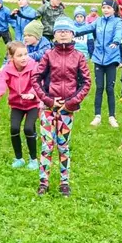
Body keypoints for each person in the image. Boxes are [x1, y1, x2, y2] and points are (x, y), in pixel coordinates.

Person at [35, 18, 90, 196]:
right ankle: (43, 182)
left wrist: (71, 102)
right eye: (60, 31)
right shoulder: (48, 55)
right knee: (46, 145)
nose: (63, 33)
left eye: (66, 31)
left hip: (67, 109)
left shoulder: (79, 57)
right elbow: (36, 79)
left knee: (63, 146)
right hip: (48, 108)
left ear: (73, 34)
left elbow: (86, 83)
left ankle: (64, 182)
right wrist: (49, 100)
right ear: (55, 35)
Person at [79, 0, 122, 127]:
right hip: (98, 58)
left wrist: (116, 41)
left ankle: (112, 117)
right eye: (103, 7)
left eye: (108, 8)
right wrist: (71, 32)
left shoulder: (117, 22)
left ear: (114, 9)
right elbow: (86, 28)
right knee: (99, 88)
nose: (105, 10)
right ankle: (97, 116)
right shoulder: (98, 21)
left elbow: (119, 32)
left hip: (111, 59)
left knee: (110, 88)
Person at [0, 40, 41, 168]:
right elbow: (0, 82)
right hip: (16, 104)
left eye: (25, 54)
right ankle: (19, 158)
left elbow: (38, 82)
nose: (24, 58)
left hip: (33, 104)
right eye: (19, 55)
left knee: (28, 128)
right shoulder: (7, 69)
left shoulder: (34, 66)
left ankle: (33, 160)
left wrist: (33, 94)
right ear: (11, 57)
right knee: (14, 129)